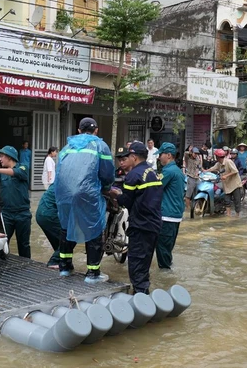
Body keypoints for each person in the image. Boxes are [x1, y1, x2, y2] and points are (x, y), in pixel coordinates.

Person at [56, 118, 115, 283]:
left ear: (79, 130)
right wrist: (107, 187)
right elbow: (107, 173)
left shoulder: (67, 146)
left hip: (63, 194)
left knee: (66, 227)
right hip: (87, 193)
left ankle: (65, 267)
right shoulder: (100, 145)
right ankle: (92, 273)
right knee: (94, 228)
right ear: (96, 130)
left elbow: (59, 171)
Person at [109, 142, 162, 295]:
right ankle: (144, 293)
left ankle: (140, 299)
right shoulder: (152, 172)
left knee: (136, 265)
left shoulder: (134, 175)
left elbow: (126, 201)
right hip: (154, 224)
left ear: (134, 157)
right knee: (144, 264)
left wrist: (116, 195)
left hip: (141, 225)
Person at [0, 146, 32, 258]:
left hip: (23, 214)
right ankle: (3, 266)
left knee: (24, 244)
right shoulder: (0, 173)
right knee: (2, 244)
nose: (0, 159)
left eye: (2, 156)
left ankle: (25, 266)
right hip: (6, 214)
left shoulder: (23, 167)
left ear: (9, 157)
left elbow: (17, 172)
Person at [157, 142, 185, 269]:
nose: (159, 157)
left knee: (163, 251)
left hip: (167, 216)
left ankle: (165, 282)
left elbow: (154, 188)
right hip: (175, 215)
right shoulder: (177, 171)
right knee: (167, 250)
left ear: (168, 155)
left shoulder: (168, 171)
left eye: (160, 154)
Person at [206, 149, 243, 217]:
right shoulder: (218, 164)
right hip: (227, 185)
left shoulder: (229, 162)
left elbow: (235, 171)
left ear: (217, 157)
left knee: (237, 201)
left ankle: (237, 216)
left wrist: (226, 175)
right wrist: (205, 171)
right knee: (227, 201)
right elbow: (213, 168)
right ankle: (228, 216)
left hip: (234, 184)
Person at [36, 183, 62, 269]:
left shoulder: (57, 182)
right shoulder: (69, 185)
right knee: (70, 237)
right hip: (50, 215)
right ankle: (54, 261)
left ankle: (62, 262)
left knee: (58, 241)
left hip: (40, 215)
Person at [184, 146, 202, 211]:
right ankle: (188, 209)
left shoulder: (197, 159)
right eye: (195, 153)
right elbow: (185, 153)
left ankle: (195, 208)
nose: (196, 155)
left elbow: (199, 167)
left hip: (197, 178)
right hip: (190, 177)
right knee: (188, 195)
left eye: (197, 154)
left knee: (196, 194)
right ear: (192, 153)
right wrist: (191, 151)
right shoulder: (188, 158)